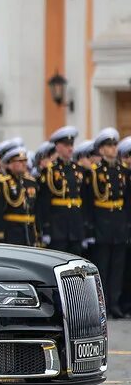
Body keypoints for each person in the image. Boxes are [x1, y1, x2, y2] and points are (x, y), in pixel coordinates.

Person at [84, 128, 126, 318]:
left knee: (117, 267)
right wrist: (90, 228)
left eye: (115, 145)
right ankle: (104, 305)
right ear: (101, 150)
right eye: (109, 145)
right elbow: (88, 202)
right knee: (103, 267)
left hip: (119, 224)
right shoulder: (93, 173)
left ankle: (115, 303)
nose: (113, 149)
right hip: (102, 224)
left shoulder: (122, 172)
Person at [36, 126, 86, 256]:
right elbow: (44, 202)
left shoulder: (79, 170)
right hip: (57, 227)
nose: (70, 148)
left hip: (76, 225)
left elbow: (85, 199)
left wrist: (85, 227)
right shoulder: (49, 171)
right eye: (66, 145)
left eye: (71, 144)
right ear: (57, 147)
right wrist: (46, 228)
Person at [0, 147, 39, 247]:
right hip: (11, 233)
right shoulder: (2, 183)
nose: (24, 163)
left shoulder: (31, 182)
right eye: (20, 161)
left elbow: (35, 209)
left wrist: (38, 232)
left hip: (29, 233)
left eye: (25, 160)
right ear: (10, 164)